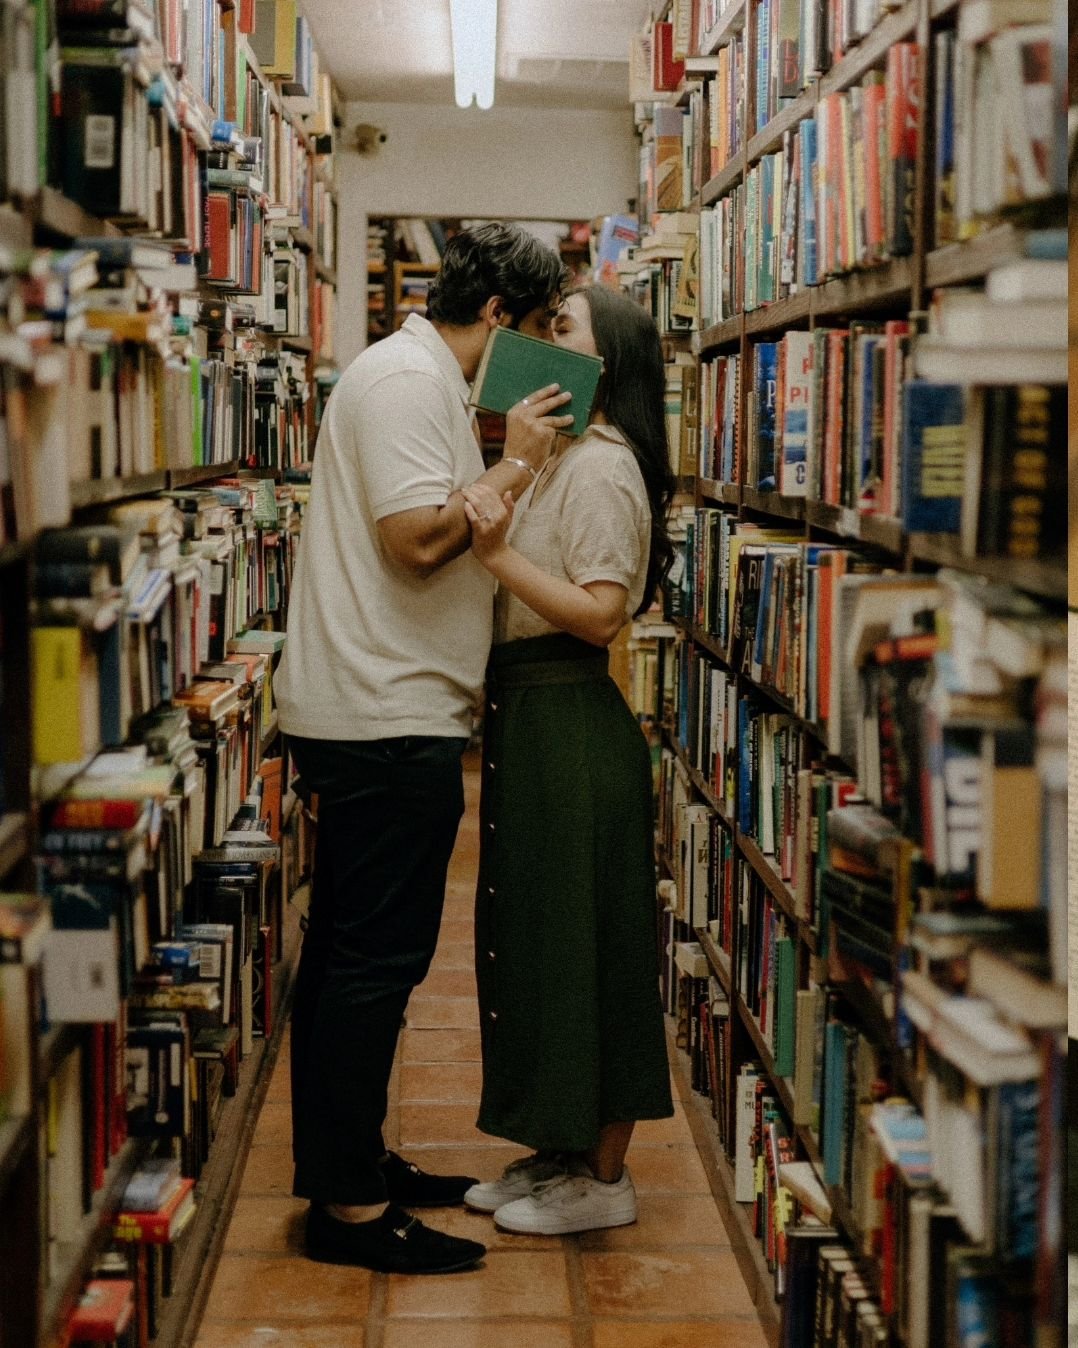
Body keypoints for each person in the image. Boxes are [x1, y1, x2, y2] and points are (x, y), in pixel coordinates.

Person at [273, 222, 574, 1274]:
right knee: (373, 966)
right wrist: (519, 465)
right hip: (381, 714)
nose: (543, 354)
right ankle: (349, 1210)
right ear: (498, 317)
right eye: (538, 331)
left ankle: (350, 1163)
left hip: (385, 708)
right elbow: (416, 545)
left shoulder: (422, 382)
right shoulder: (404, 380)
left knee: (350, 966)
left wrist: (498, 466)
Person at [458, 284, 676, 1235]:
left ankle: (605, 1175)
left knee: (594, 946)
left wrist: (496, 554)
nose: (546, 344)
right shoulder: (561, 458)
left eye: (564, 331)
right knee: (540, 942)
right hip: (530, 716)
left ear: (608, 361)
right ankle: (558, 1148)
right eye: (542, 328)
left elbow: (600, 613)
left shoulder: (604, 467)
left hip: (570, 718)